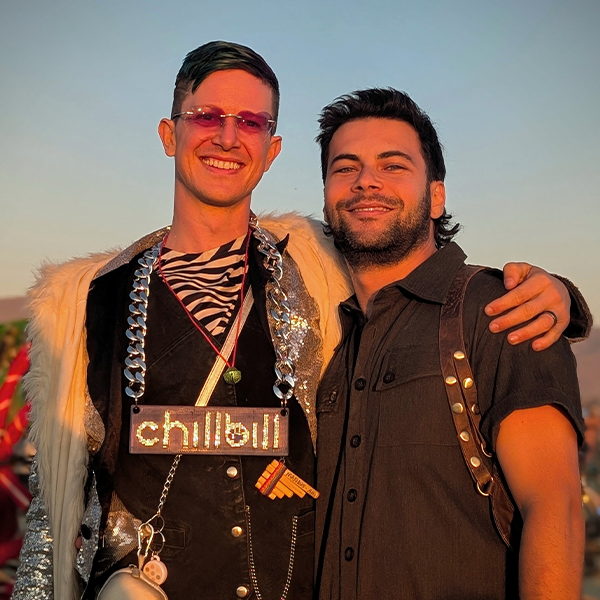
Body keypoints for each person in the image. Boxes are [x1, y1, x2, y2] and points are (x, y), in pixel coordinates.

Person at [12, 42, 588, 600]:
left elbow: (413, 269)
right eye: (207, 115)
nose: (228, 137)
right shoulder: (88, 301)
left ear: (272, 148)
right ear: (169, 134)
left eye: (251, 122)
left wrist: (554, 293)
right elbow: (54, 508)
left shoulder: (317, 274)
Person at [313, 88, 588, 600]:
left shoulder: (502, 310)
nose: (366, 180)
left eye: (393, 165)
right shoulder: (327, 334)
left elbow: (555, 510)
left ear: (436, 196)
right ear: (327, 197)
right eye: (345, 167)